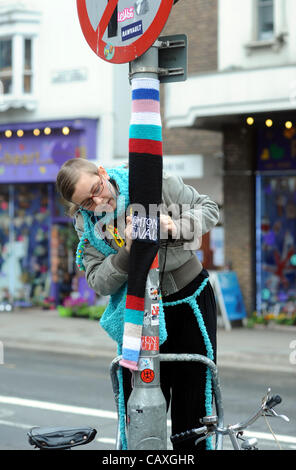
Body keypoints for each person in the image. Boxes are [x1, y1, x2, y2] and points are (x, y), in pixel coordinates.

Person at [56, 78, 219, 451]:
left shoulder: (149, 180)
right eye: (87, 202)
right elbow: (99, 281)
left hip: (187, 297)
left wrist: (174, 225)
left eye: (96, 190)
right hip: (137, 312)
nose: (98, 202)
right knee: (139, 402)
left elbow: (209, 208)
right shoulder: (87, 228)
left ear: (101, 172)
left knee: (195, 399)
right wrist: (128, 253)